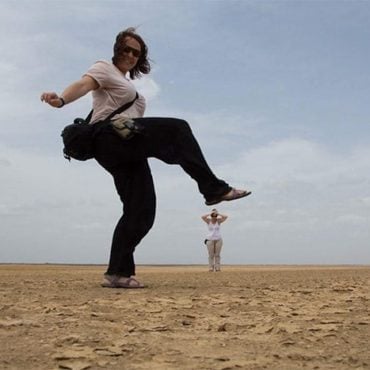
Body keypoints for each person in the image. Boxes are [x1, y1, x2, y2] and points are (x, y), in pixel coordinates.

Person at [41, 27, 251, 289]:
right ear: (117, 49)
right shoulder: (104, 67)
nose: (130, 55)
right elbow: (83, 85)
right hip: (108, 138)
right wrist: (60, 100)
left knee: (141, 212)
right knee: (177, 129)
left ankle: (117, 273)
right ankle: (214, 189)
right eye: (126, 49)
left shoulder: (130, 86)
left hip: (127, 145)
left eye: (136, 53)